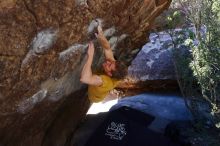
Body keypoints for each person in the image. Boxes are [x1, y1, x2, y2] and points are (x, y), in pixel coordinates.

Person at [80, 26, 127, 102]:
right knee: (105, 88)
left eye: (109, 65)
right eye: (112, 62)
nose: (108, 62)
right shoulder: (114, 67)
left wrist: (90, 56)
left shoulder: (105, 82)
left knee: (101, 94)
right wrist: (101, 36)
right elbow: (107, 49)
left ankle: (108, 97)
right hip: (106, 85)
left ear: (110, 74)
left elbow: (84, 78)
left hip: (95, 98)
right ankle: (109, 92)